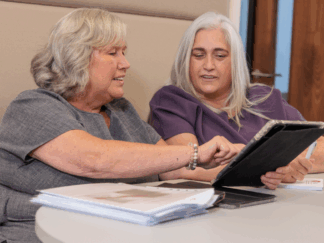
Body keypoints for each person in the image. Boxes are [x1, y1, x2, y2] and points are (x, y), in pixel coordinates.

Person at [0, 9, 239, 243]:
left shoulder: (121, 109)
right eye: (113, 52)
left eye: (123, 52)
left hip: (120, 233)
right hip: (41, 234)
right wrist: (195, 152)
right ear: (76, 57)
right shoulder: (32, 106)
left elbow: (173, 168)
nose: (125, 63)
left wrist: (248, 168)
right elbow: (94, 159)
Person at [149, 11, 324, 190]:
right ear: (186, 60)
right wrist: (272, 166)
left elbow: (319, 145)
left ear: (236, 62)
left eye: (220, 56)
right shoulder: (170, 102)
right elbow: (184, 167)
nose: (208, 66)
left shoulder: (266, 98)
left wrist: (287, 164)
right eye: (198, 55)